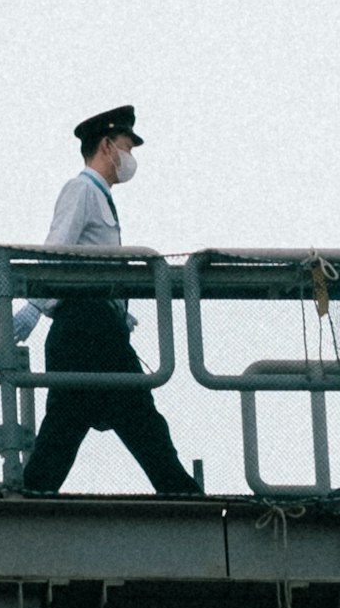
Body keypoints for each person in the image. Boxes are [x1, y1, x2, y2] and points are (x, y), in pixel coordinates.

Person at [17, 102, 203, 497]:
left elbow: (89, 263)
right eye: (127, 146)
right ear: (106, 145)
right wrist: (36, 305)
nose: (130, 157)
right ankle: (183, 496)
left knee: (69, 423)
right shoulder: (82, 190)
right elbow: (57, 251)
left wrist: (117, 307)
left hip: (92, 326)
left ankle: (31, 496)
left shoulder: (97, 195)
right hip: (87, 328)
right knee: (136, 417)